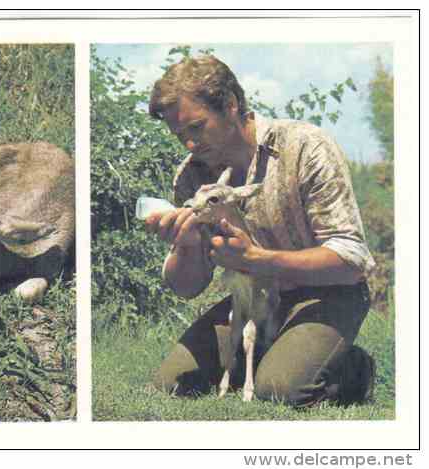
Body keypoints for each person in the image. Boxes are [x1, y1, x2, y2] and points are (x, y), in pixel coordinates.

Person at [143, 55, 376, 407]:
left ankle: (351, 367)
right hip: (254, 299)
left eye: (197, 127)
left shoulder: (304, 146)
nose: (190, 144)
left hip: (328, 291)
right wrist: (186, 245)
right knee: (172, 382)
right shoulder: (191, 177)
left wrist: (256, 259)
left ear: (231, 105)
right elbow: (187, 287)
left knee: (280, 390)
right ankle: (274, 354)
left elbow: (352, 259)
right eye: (180, 136)